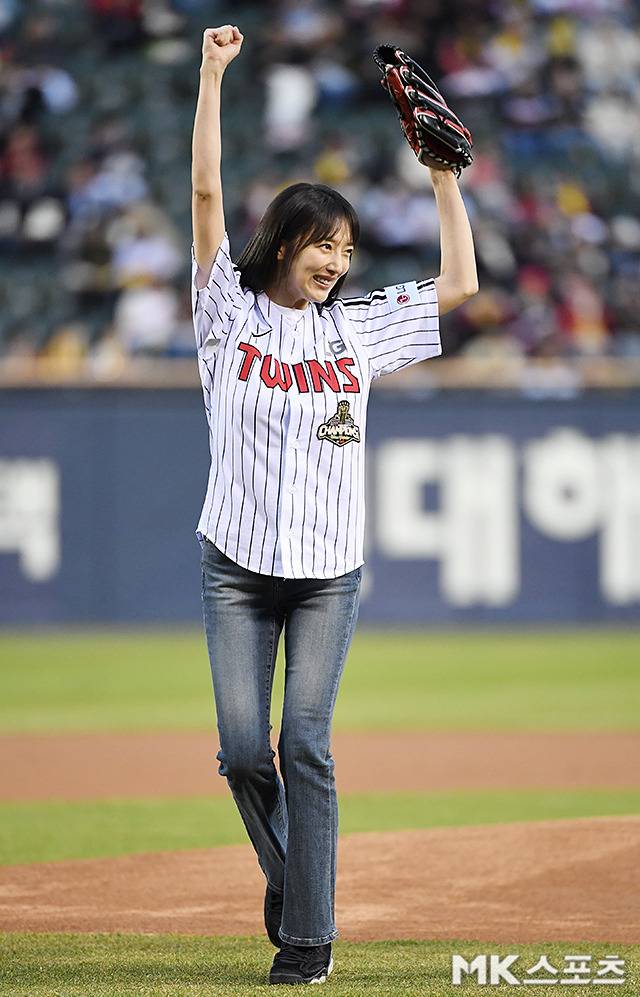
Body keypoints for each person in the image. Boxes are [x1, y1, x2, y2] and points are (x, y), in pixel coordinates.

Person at [191, 24, 478, 987]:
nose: (337, 261)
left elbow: (461, 283)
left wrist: (442, 179)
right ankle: (294, 883)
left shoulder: (354, 330)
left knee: (304, 743)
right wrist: (212, 75)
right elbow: (203, 196)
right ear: (284, 241)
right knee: (243, 752)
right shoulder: (225, 313)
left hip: (326, 575)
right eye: (323, 243)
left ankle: (307, 938)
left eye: (347, 249)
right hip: (236, 568)